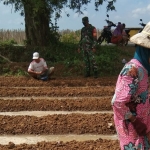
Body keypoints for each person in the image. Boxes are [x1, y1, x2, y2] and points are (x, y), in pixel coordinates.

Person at [111, 22, 150, 150]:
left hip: (143, 128)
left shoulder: (144, 69)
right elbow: (118, 102)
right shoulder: (132, 70)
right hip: (133, 129)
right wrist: (135, 121)